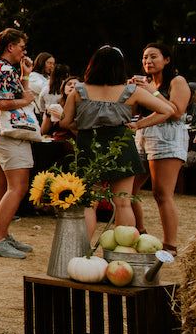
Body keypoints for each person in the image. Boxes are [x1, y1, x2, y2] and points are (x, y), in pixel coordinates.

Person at [59, 46, 174, 240]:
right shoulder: (131, 91)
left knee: (89, 203)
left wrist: (85, 127)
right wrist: (138, 124)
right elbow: (167, 110)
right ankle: (122, 250)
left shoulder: (78, 91)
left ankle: (82, 247)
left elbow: (64, 122)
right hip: (121, 147)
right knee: (123, 203)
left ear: (93, 65)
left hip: (89, 146)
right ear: (120, 67)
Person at [0, 28, 37, 259]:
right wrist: (27, 100)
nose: (24, 51)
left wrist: (25, 75)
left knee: (2, 185)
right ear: (10, 46)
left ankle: (2, 234)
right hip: (8, 134)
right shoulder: (4, 68)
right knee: (18, 186)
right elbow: (3, 102)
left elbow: (7, 96)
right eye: (22, 47)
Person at [129, 43, 191, 252]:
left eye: (153, 56)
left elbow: (176, 112)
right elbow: (133, 112)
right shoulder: (146, 83)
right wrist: (131, 91)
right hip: (143, 135)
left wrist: (151, 92)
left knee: (161, 193)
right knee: (127, 190)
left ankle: (170, 245)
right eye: (145, 57)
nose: (148, 61)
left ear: (167, 59)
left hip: (168, 137)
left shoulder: (177, 81)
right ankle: (140, 233)